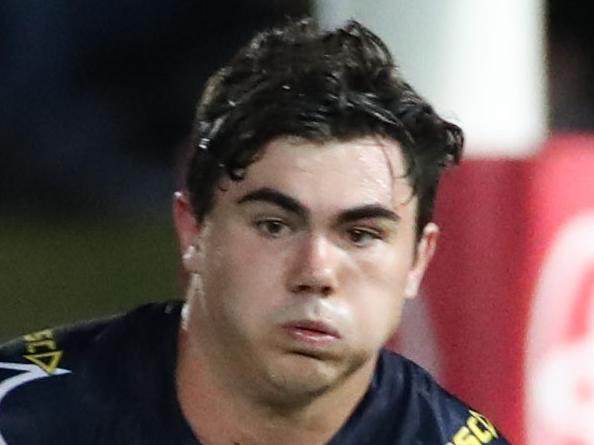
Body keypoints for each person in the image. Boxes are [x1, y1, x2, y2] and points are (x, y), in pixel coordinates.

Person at [0, 19, 510, 445]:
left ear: (417, 262)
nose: (316, 272)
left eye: (360, 235)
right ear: (193, 231)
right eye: (274, 225)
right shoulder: (25, 417)